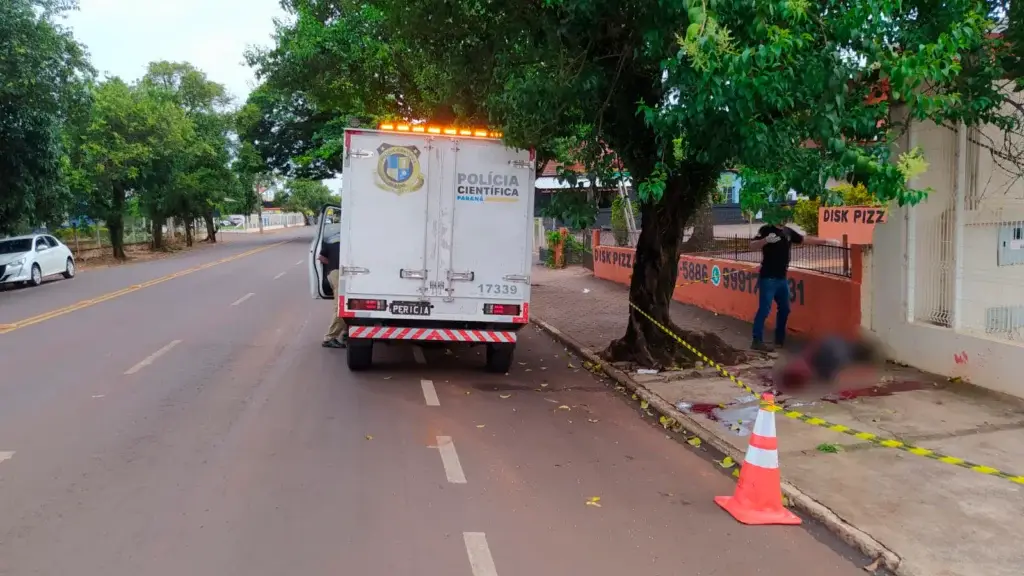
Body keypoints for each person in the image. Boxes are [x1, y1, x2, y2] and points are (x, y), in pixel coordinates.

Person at [748, 222, 835, 351]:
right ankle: (756, 340)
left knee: (785, 309)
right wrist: (765, 240)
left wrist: (826, 240)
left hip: (782, 278)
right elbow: (752, 246)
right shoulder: (766, 229)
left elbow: (804, 239)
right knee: (764, 309)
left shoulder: (787, 231)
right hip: (768, 278)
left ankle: (779, 339)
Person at [319, 237, 347, 348]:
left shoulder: (331, 241)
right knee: (342, 306)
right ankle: (329, 338)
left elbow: (321, 258)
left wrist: (331, 264)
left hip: (333, 273)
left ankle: (345, 331)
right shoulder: (350, 240)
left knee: (344, 305)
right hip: (338, 273)